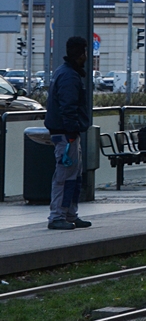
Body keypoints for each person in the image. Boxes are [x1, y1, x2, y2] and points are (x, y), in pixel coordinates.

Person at [44, 36, 91, 230]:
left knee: (73, 175)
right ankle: (57, 216)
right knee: (65, 175)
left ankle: (70, 213)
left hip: (65, 132)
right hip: (66, 134)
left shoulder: (63, 73)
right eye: (86, 53)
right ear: (81, 55)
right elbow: (68, 107)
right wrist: (72, 131)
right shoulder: (70, 76)